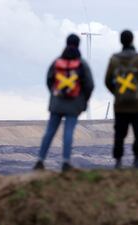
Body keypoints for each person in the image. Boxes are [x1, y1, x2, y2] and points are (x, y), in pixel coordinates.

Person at [34, 34, 94, 172]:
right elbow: (89, 85)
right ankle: (66, 162)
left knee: (49, 132)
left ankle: (40, 160)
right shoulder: (82, 64)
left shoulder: (57, 62)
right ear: (78, 45)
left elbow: (49, 80)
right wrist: (84, 99)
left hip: (57, 103)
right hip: (74, 104)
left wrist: (54, 94)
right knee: (68, 132)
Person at [105, 30, 138, 169]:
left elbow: (107, 81)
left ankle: (118, 161)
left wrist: (117, 93)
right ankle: (137, 160)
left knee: (119, 133)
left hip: (120, 105)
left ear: (121, 41)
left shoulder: (114, 60)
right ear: (132, 40)